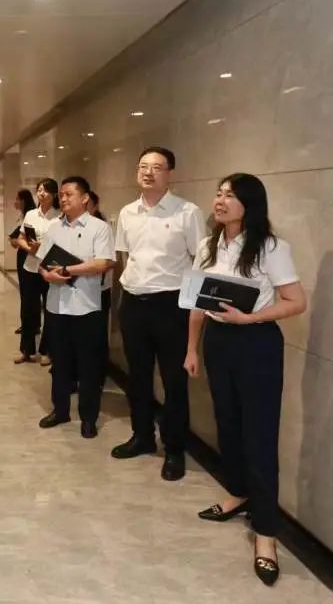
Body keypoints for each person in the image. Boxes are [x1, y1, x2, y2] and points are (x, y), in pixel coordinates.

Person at [184, 174, 305, 587]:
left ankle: (266, 533)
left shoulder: (271, 247)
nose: (220, 201)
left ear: (249, 204)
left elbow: (296, 301)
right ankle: (237, 493)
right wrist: (191, 348)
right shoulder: (208, 245)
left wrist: (250, 317)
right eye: (218, 193)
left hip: (257, 344)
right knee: (228, 424)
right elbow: (197, 302)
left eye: (230, 196)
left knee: (259, 435)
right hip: (219, 343)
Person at [111, 147, 206, 481]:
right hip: (134, 304)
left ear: (170, 173)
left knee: (173, 382)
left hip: (171, 306)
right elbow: (126, 258)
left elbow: (200, 264)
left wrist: (191, 309)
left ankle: (175, 449)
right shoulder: (127, 213)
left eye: (156, 167)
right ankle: (142, 436)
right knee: (137, 376)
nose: (148, 172)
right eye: (143, 166)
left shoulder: (187, 213)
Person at [36, 176, 114, 438]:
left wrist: (68, 270)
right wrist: (48, 274)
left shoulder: (99, 228)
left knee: (89, 366)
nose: (63, 198)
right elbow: (41, 264)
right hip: (56, 306)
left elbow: (103, 263)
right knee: (60, 364)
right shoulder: (54, 228)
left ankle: (88, 418)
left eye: (69, 194)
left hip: (87, 307)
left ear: (85, 198)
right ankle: (60, 410)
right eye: (61, 194)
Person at [14, 179, 60, 364]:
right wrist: (29, 248)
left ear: (54, 194)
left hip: (50, 269)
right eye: (39, 190)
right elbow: (21, 238)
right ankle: (27, 350)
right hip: (30, 268)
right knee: (28, 310)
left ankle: (48, 351)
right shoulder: (31, 214)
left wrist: (44, 248)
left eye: (46, 190)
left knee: (50, 311)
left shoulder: (60, 216)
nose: (42, 193)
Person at [89, 191, 112, 387]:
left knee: (97, 334)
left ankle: (98, 375)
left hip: (99, 290)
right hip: (76, 289)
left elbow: (110, 261)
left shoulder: (103, 228)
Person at [9, 189, 36, 336]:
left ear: (24, 201)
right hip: (24, 254)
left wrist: (17, 241)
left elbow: (19, 239)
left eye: (18, 199)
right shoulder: (23, 216)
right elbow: (14, 239)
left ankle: (29, 325)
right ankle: (30, 324)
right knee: (26, 292)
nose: (15, 202)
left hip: (28, 255)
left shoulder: (30, 216)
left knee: (28, 293)